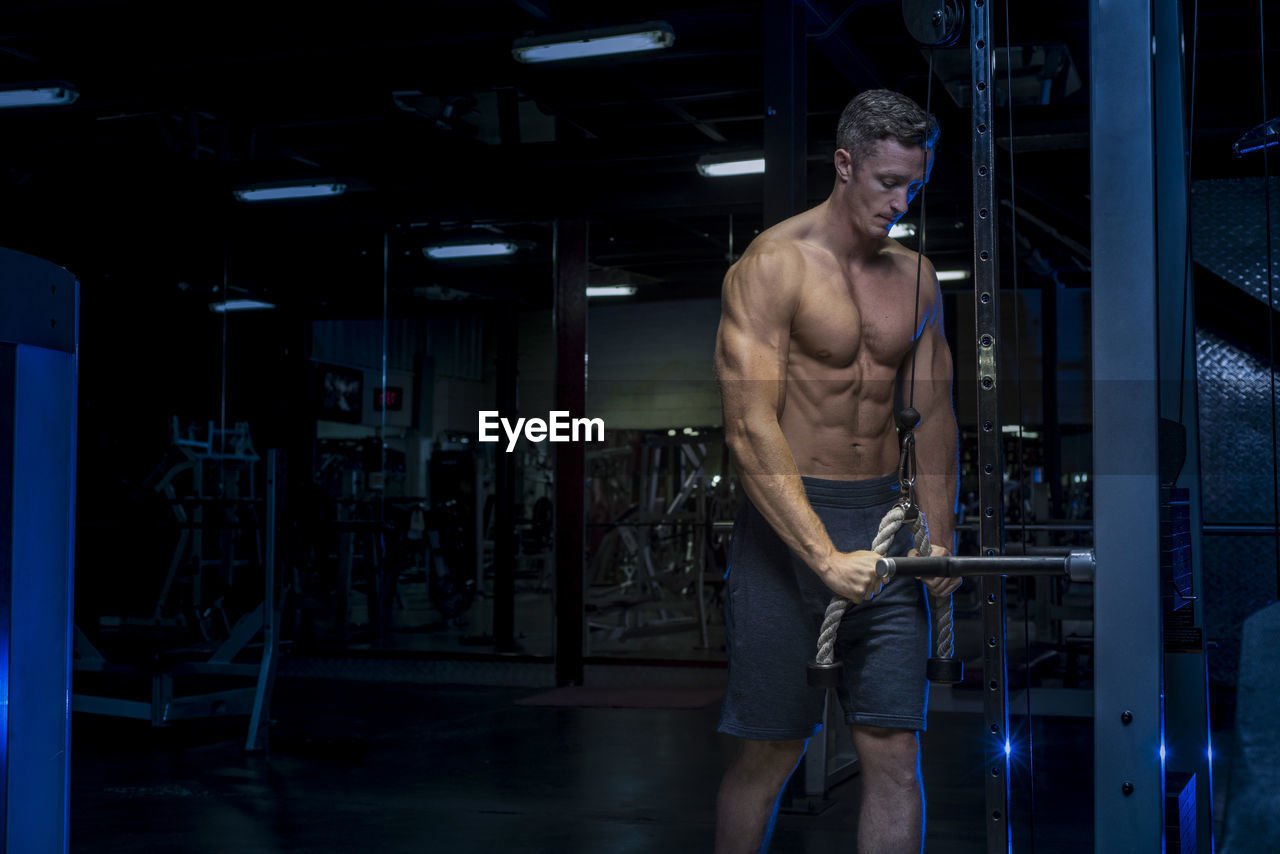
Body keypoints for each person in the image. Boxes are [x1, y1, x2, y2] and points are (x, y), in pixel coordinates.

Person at [713, 89, 961, 853]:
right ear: (844, 163)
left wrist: (940, 534)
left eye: (913, 185)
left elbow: (937, 414)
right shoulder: (773, 266)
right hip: (788, 526)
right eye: (888, 181)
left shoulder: (916, 279)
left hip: (885, 529)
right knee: (772, 748)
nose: (900, 200)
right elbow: (750, 427)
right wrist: (820, 553)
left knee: (894, 748)